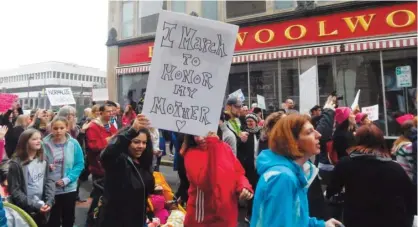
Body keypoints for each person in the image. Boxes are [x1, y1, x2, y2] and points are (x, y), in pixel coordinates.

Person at [250, 114, 342, 227]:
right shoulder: (282, 177)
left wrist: (322, 225)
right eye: (309, 132)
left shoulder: (292, 173)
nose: (319, 135)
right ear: (292, 142)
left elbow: (296, 219)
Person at [326, 124, 416, 227]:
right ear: (381, 141)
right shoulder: (394, 168)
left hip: (356, 219)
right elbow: (411, 199)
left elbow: (331, 191)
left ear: (357, 140)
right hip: (391, 220)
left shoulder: (345, 164)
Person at [183, 131, 253, 226]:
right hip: (203, 220)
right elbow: (205, 183)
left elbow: (238, 172)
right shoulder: (191, 153)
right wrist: (212, 146)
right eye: (196, 135)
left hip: (227, 216)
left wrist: (244, 186)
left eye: (206, 133)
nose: (200, 138)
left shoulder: (225, 148)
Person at [98, 114, 155, 227]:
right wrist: (132, 131)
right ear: (127, 141)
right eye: (136, 142)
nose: (141, 146)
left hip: (137, 220)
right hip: (116, 221)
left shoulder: (143, 163)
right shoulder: (117, 161)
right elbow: (107, 154)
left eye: (144, 143)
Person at [7, 128, 55, 227]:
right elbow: (15, 191)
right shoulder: (16, 164)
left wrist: (49, 201)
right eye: (34, 139)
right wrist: (34, 205)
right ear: (25, 142)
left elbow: (49, 181)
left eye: (40, 138)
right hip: (25, 210)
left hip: (43, 207)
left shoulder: (44, 158)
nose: (39, 141)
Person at [43, 117, 84, 227]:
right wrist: (46, 166)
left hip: (69, 188)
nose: (58, 131)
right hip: (51, 189)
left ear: (67, 128)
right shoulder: (44, 144)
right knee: (53, 219)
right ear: (51, 129)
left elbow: (79, 164)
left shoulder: (73, 143)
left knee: (68, 217)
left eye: (62, 128)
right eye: (55, 128)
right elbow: (37, 163)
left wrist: (67, 179)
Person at [239, 113, 261, 222]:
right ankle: (250, 213)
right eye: (248, 121)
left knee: (259, 189)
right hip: (249, 167)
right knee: (251, 190)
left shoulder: (261, 133)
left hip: (260, 167)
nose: (250, 123)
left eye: (252, 120)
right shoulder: (244, 134)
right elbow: (240, 151)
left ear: (256, 122)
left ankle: (258, 212)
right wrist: (241, 141)